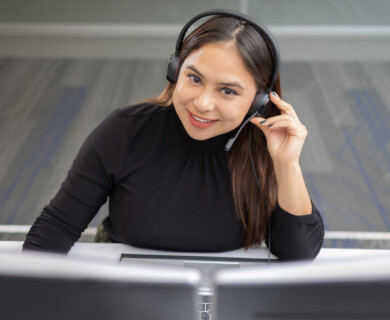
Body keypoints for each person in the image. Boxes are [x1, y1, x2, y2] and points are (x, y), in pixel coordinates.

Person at [23, 10, 324, 260]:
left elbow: (297, 255)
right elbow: (57, 227)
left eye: (228, 91)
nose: (203, 104)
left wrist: (287, 165)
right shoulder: (124, 131)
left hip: (221, 292)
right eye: (194, 78)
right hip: (123, 287)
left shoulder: (264, 146)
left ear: (259, 100)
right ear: (175, 70)